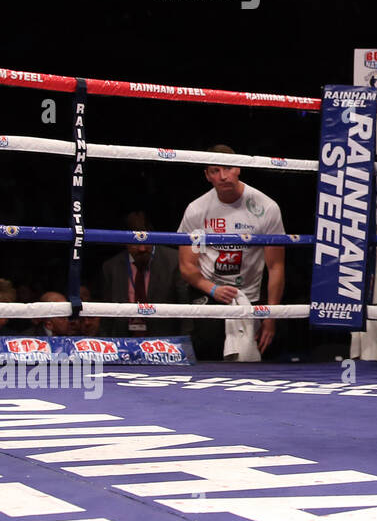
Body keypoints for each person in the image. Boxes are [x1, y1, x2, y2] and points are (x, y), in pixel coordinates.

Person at [177, 145, 285, 361]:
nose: (223, 176)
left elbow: (276, 266)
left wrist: (271, 316)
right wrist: (213, 288)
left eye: (228, 168)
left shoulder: (266, 207)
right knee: (208, 351)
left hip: (251, 294)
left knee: (260, 355)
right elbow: (186, 265)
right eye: (215, 170)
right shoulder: (196, 209)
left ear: (239, 168)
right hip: (209, 292)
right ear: (207, 175)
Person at [100, 211, 188, 336]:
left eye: (146, 241)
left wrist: (185, 343)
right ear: (125, 241)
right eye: (136, 243)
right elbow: (106, 315)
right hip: (125, 341)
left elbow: (185, 309)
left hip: (165, 341)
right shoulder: (111, 268)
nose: (142, 249)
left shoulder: (173, 261)